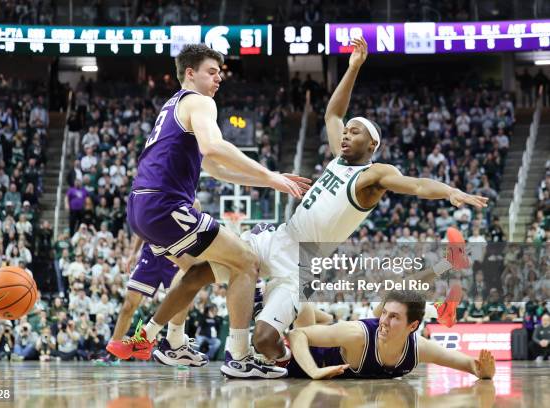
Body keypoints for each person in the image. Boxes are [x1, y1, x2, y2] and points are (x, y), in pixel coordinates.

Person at [133, 37, 487, 378]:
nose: (345, 135)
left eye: (354, 133)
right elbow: (333, 113)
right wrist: (353, 67)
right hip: (280, 238)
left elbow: (418, 184)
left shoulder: (373, 175)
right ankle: (154, 336)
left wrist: (450, 191)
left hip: (304, 263)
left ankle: (286, 357)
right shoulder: (340, 159)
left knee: (274, 337)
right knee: (201, 271)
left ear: (372, 144)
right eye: (346, 132)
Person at [126, 43, 308, 379]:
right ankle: (239, 355)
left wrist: (268, 183)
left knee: (195, 270)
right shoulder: (200, 101)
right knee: (246, 261)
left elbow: (215, 167)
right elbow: (214, 147)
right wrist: (271, 175)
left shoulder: (174, 106)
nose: (219, 78)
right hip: (166, 204)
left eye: (221, 73)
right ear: (190, 74)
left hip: (142, 207)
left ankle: (171, 340)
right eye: (212, 71)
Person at [285, 291, 496, 380]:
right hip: (305, 357)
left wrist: (483, 372)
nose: (384, 321)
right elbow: (296, 335)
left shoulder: (417, 347)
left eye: (393, 316)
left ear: (413, 326)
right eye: (384, 313)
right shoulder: (357, 334)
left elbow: (471, 365)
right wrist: (313, 371)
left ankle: (324, 317)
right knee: (302, 305)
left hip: (331, 335)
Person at [106, 201, 208, 367]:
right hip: (151, 254)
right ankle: (114, 350)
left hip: (176, 254)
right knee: (128, 304)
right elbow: (142, 226)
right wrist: (133, 253)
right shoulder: (156, 192)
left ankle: (175, 346)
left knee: (180, 303)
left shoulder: (193, 203)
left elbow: (193, 234)